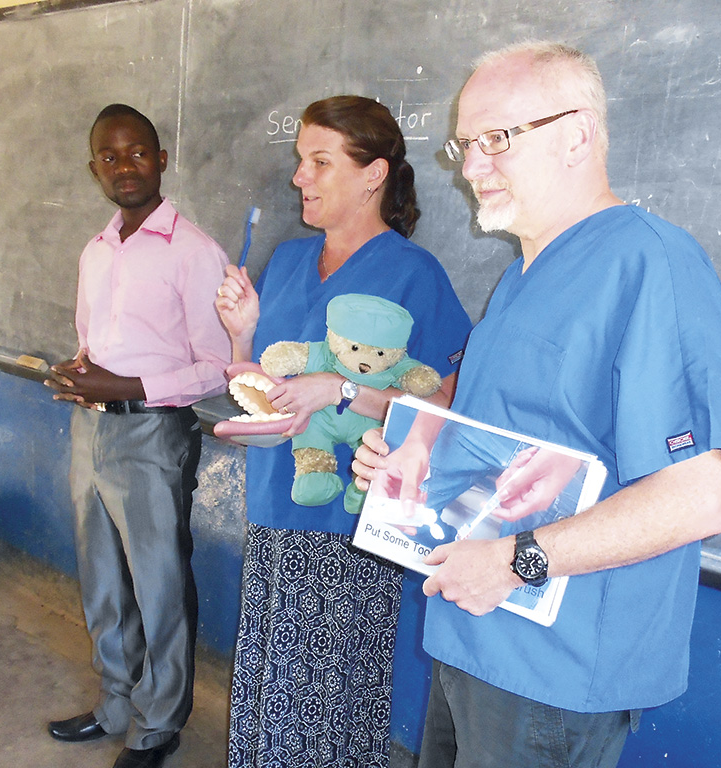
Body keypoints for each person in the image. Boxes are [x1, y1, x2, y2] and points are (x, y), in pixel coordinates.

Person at [352, 41, 721, 768]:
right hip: (472, 624)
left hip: (552, 669)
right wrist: (410, 442)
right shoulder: (523, 275)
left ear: (577, 135)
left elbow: (699, 500)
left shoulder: (650, 264)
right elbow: (484, 411)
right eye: (464, 146)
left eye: (496, 140)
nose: (470, 169)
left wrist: (518, 560)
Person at [214, 95, 472, 768]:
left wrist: (346, 391)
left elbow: (446, 404)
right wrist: (242, 332)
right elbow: (267, 380)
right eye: (301, 161)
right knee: (272, 698)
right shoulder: (291, 259)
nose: (301, 177)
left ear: (372, 175)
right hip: (276, 507)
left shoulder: (414, 274)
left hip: (352, 530)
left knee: (329, 709)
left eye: (319, 162)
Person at [44, 104, 231, 768]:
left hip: (153, 436)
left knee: (157, 582)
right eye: (110, 156)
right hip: (89, 431)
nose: (125, 166)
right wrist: (79, 373)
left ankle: (159, 721)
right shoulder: (96, 250)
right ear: (94, 167)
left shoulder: (194, 250)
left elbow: (218, 366)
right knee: (101, 577)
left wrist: (124, 389)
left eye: (137, 153)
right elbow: (95, 341)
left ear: (161, 160)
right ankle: (115, 701)